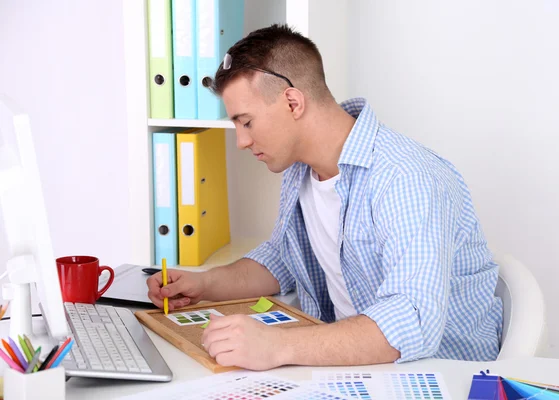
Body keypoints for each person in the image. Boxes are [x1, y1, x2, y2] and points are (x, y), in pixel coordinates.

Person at [147, 24, 503, 371]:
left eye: (247, 122)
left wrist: (276, 346)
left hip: (439, 375)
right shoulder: (300, 169)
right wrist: (204, 284)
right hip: (358, 365)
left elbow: (411, 323)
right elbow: (285, 258)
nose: (241, 141)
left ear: (292, 102)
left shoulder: (404, 177)